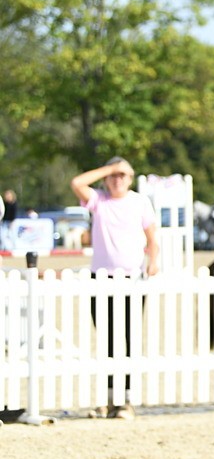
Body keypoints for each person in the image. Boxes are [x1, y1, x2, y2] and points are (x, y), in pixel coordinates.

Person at [70, 157, 160, 420]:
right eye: (113, 175)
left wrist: (154, 261)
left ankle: (127, 400)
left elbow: (153, 238)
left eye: (123, 175)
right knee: (108, 338)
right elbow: (77, 182)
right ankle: (110, 398)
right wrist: (111, 168)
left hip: (131, 278)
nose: (117, 179)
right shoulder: (99, 201)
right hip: (102, 277)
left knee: (129, 338)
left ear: (131, 178)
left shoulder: (140, 202)